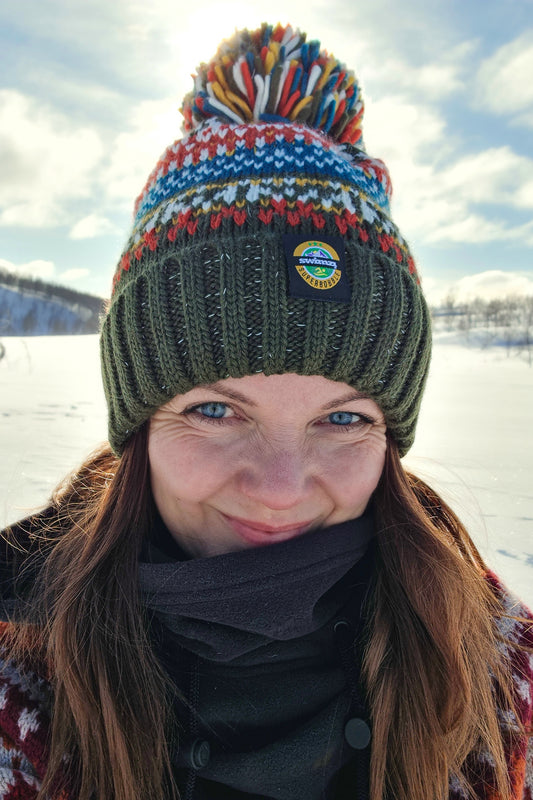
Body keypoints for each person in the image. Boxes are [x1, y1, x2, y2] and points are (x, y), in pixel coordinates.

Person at [0, 22, 531, 800]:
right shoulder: (22, 685)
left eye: (343, 419)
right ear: (140, 421)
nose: (281, 488)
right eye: (217, 410)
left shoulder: (498, 684)